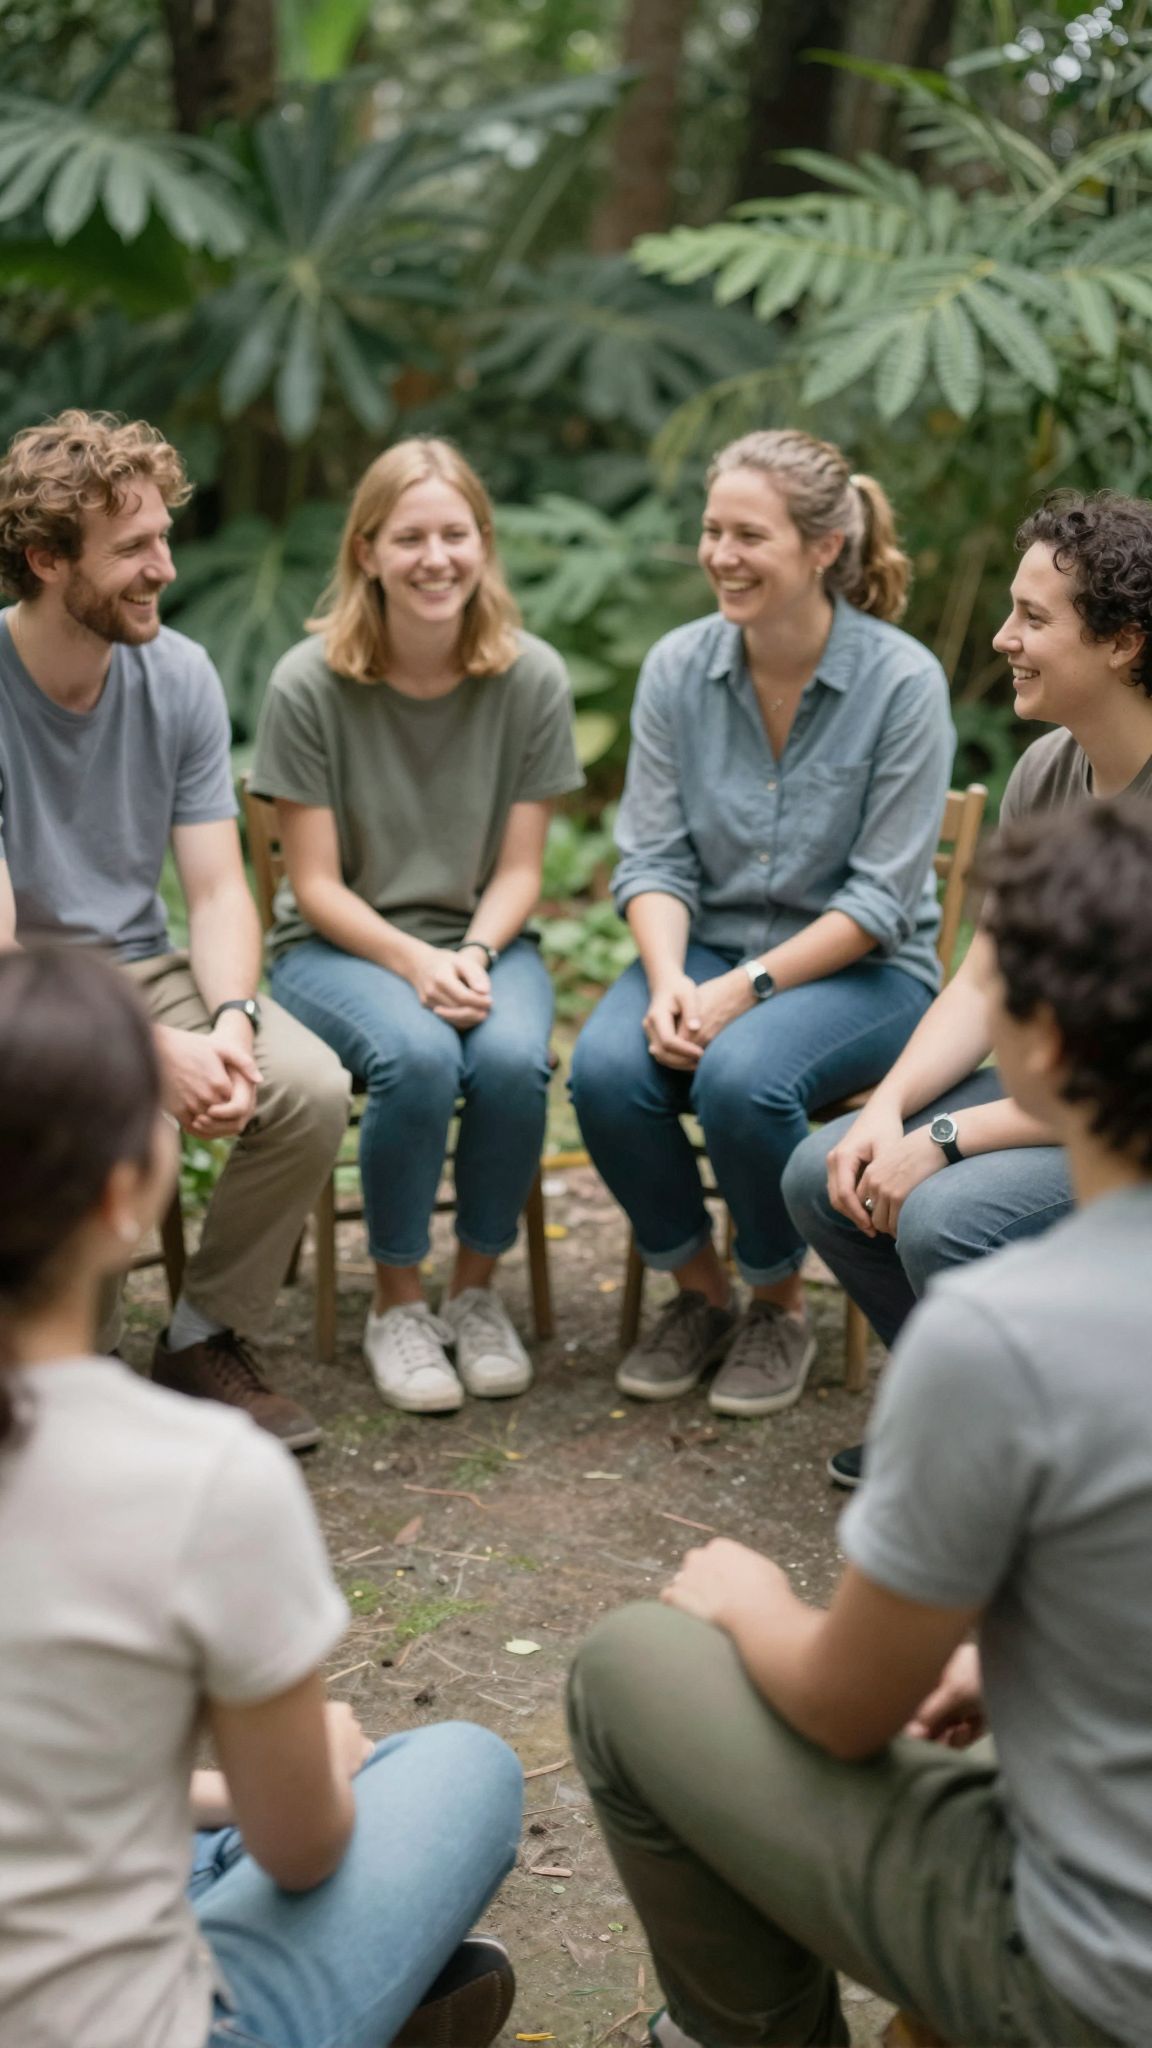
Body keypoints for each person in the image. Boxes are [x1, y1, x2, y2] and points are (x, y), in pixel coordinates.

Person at [569, 797, 1152, 2048]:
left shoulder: (1003, 1329)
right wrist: (999, 1663)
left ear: (1037, 1043)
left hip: (1089, 1987)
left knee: (628, 1668)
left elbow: (839, 1709)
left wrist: (749, 1599)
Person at [0, 948, 524, 2048]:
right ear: (120, 1193)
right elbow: (305, 1845)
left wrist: (207, 1791)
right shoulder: (201, 1475)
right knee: (456, 1768)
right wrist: (292, 1774)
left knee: (200, 1821)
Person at [569, 429, 953, 1417]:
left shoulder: (902, 682)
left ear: (824, 546)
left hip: (867, 971)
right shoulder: (676, 668)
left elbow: (875, 902)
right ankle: (700, 1290)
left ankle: (779, 1299)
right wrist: (667, 981)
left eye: (749, 534)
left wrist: (741, 990)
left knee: (743, 1073)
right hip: (705, 945)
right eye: (711, 530)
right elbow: (652, 857)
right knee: (609, 1068)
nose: (721, 555)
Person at [783, 489, 1152, 1488]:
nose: (1003, 638)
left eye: (1034, 618)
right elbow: (987, 969)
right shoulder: (1048, 770)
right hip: (1064, 1093)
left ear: (1121, 643)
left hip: (1133, 1117)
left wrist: (947, 1136)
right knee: (824, 1171)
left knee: (949, 1214)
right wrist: (893, 1109)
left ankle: (1053, 1458)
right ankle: (973, 1420)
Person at [0, 408, 352, 1450]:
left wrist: (235, 1019)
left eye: (164, 538)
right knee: (120, 1119)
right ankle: (72, 1380)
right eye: (132, 549)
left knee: (311, 1085)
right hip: (28, 994)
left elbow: (220, 891)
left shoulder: (182, 673)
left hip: (147, 969)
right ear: (46, 558)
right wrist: (149, 1057)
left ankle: (204, 1337)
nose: (163, 567)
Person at [249, 437, 583, 1416]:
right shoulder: (307, 684)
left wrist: (471, 954)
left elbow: (522, 869)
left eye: (455, 534)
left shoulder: (532, 679)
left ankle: (473, 1295)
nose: (435, 558)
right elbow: (312, 885)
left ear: (482, 542)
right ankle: (397, 1299)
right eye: (410, 538)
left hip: (483, 936)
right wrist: (416, 963)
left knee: (516, 1055)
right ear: (366, 551)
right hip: (337, 947)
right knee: (418, 1055)